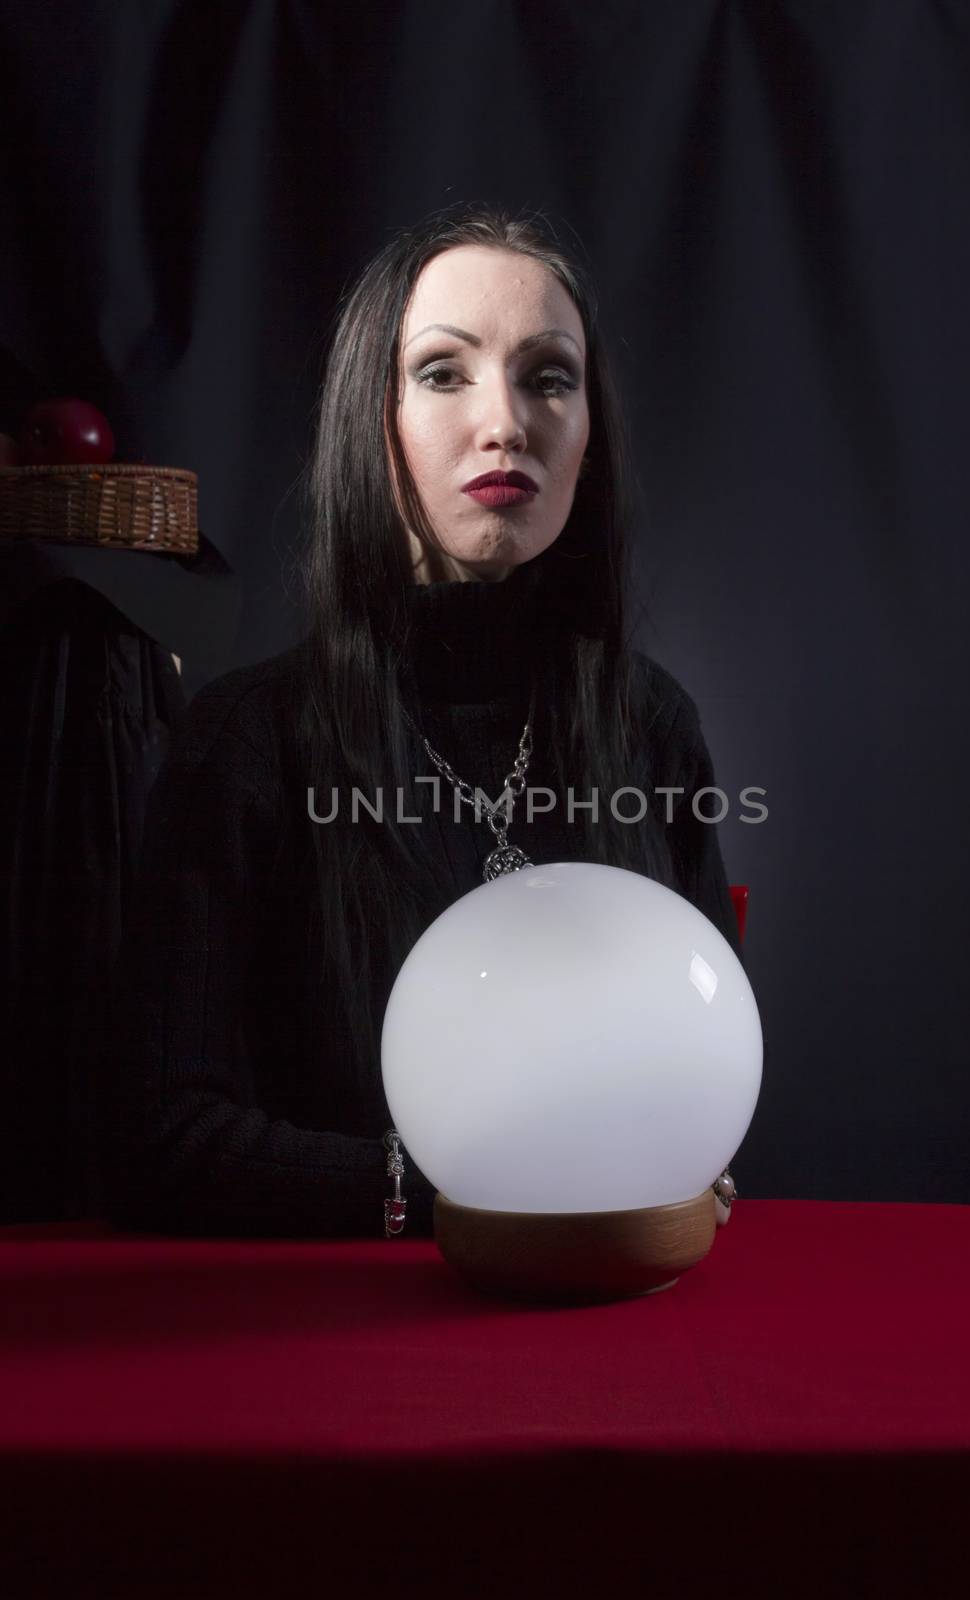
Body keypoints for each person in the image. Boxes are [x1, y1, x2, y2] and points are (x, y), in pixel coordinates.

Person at [97, 205, 742, 1240]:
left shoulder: (648, 723)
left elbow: (707, 1085)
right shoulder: (248, 742)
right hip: (329, 1351)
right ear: (372, 413)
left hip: (605, 1338)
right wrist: (457, 1196)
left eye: (548, 376)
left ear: (588, 438)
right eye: (445, 372)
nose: (505, 423)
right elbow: (166, 1133)